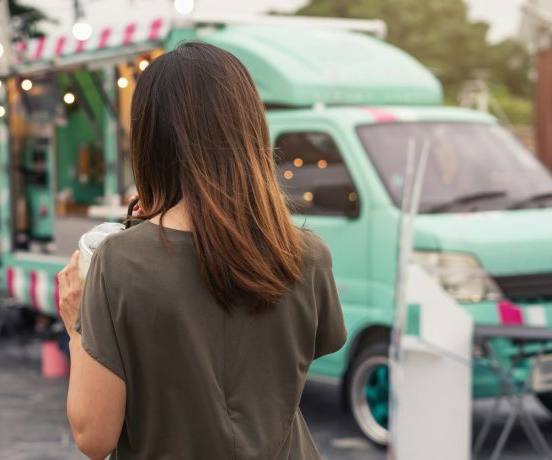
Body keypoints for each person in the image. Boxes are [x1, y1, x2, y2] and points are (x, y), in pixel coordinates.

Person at [57, 42, 347, 459]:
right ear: (250, 128)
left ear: (150, 140)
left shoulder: (119, 262)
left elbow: (94, 436)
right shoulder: (307, 254)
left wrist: (76, 326)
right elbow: (301, 352)